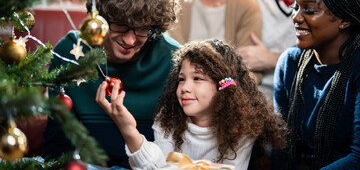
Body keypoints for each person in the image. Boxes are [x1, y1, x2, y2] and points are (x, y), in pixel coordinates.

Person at [42, 0, 182, 168]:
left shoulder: (174, 59)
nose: (130, 39)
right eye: (120, 25)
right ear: (100, 18)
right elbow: (57, 143)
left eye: (142, 29)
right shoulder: (70, 52)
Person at [96, 39, 287, 170]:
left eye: (197, 78)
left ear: (223, 86)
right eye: (181, 79)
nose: (185, 87)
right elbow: (157, 166)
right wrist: (128, 129)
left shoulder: (242, 127)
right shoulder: (168, 118)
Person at [273, 0, 360, 169]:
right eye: (295, 7)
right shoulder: (290, 63)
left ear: (344, 20)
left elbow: (358, 157)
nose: (296, 17)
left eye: (309, 10)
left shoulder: (356, 69)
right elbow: (280, 143)